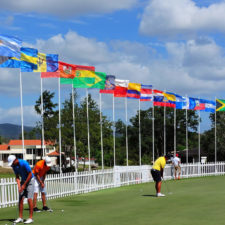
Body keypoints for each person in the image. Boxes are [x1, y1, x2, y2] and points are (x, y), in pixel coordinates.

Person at [8, 155, 34, 224]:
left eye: (12, 163)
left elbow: (30, 174)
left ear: (15, 160)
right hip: (23, 181)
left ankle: (31, 218)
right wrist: (19, 186)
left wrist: (24, 184)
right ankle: (20, 217)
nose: (12, 165)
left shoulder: (24, 163)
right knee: (21, 199)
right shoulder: (13, 166)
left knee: (29, 199)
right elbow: (17, 176)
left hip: (30, 180)